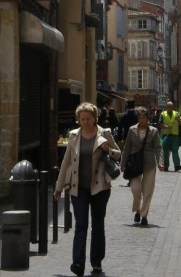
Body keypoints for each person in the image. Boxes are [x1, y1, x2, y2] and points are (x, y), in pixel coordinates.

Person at [53, 102, 121, 277]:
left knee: (97, 224)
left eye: (88, 119)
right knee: (81, 224)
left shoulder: (104, 133)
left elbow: (118, 153)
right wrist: (58, 188)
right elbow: (66, 162)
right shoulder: (74, 136)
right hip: (79, 187)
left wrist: (108, 149)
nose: (85, 122)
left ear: (94, 118)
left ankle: (96, 261)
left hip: (100, 187)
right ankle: (78, 263)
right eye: (82, 119)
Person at [120, 108, 164, 225]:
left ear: (148, 119)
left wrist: (160, 162)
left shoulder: (153, 131)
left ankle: (144, 215)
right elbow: (127, 148)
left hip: (149, 164)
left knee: (148, 190)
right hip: (135, 164)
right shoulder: (132, 130)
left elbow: (158, 148)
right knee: (136, 189)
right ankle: (137, 209)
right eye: (140, 118)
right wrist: (123, 164)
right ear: (138, 119)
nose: (142, 120)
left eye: (144, 118)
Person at [159, 101, 181, 172]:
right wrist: (164, 126)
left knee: (175, 151)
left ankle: (177, 166)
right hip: (165, 136)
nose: (170, 108)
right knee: (165, 151)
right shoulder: (163, 114)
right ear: (166, 107)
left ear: (173, 107)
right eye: (168, 106)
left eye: (171, 106)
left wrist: (178, 119)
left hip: (174, 136)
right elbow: (160, 123)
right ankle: (166, 166)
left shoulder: (177, 114)